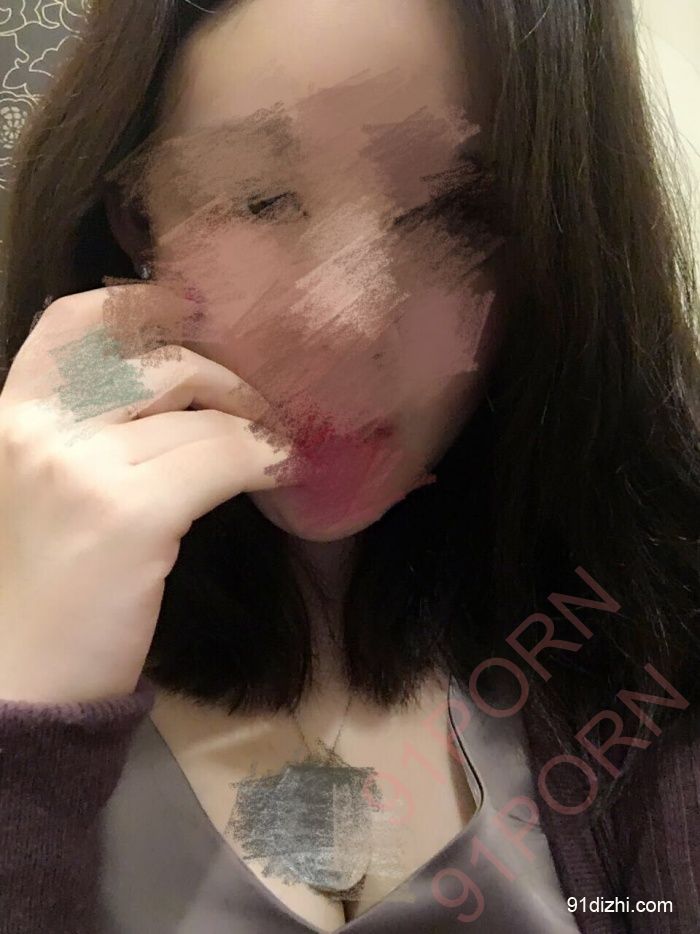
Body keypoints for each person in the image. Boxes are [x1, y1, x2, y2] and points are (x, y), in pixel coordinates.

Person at [0, 0, 698, 932]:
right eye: (259, 199)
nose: (349, 322)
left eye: (456, 212)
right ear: (134, 221)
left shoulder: (641, 616)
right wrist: (25, 718)